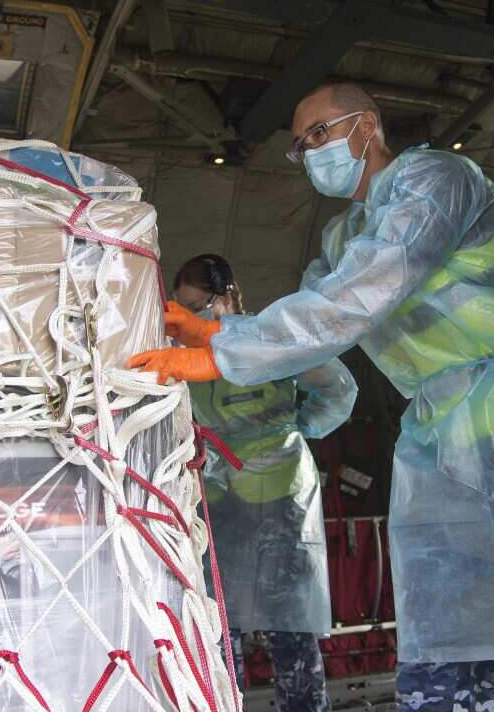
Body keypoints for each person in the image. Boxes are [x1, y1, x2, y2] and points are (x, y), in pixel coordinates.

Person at [130, 82, 494, 711]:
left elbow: (371, 284)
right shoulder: (344, 237)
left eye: (319, 133)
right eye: (300, 145)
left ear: (365, 127)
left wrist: (219, 352)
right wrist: (220, 330)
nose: (309, 152)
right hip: (447, 428)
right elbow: (316, 311)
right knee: (445, 627)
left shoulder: (436, 179)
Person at [173, 253, 356, 712]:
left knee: (289, 624)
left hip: (281, 499)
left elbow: (337, 389)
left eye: (200, 307)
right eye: (183, 309)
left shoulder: (273, 339)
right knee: (218, 625)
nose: (192, 319)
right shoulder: (185, 355)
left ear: (228, 296)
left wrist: (296, 430)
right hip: (217, 502)